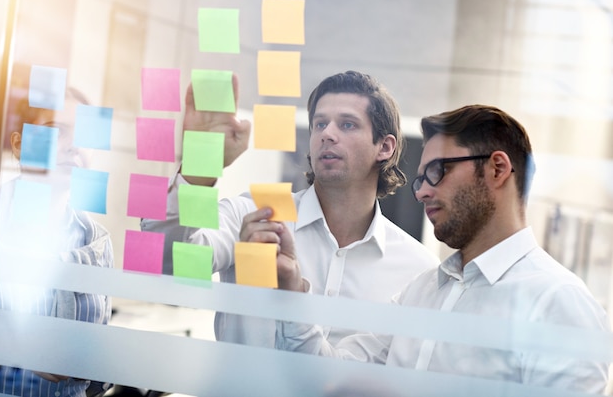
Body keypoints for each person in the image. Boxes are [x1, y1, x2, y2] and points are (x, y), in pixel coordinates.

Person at [272, 104, 610, 393]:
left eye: (437, 171)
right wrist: (291, 288)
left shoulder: (558, 303)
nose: (421, 193)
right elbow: (330, 379)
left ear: (497, 168)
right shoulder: (422, 292)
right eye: (421, 179)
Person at [141, 70, 439, 347]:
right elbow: (163, 263)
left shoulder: (418, 271)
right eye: (320, 124)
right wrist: (198, 167)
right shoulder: (253, 215)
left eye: (347, 124)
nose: (327, 134)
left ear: (385, 147)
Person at [0, 89, 114, 397]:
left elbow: (97, 379)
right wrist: (16, 347)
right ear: (18, 145)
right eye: (57, 131)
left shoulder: (95, 241)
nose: (74, 147)